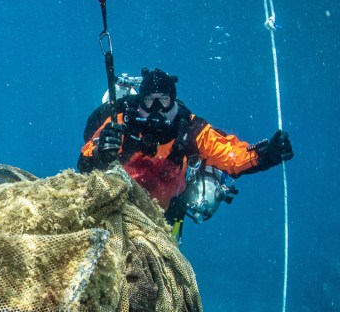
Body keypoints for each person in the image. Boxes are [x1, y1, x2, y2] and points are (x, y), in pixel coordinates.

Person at [78, 67, 293, 227]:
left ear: (174, 101)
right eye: (149, 101)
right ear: (139, 102)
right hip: (116, 207)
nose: (157, 109)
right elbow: (85, 159)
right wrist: (100, 153)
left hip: (163, 217)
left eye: (164, 100)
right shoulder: (122, 120)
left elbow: (231, 155)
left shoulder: (190, 129)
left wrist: (267, 154)